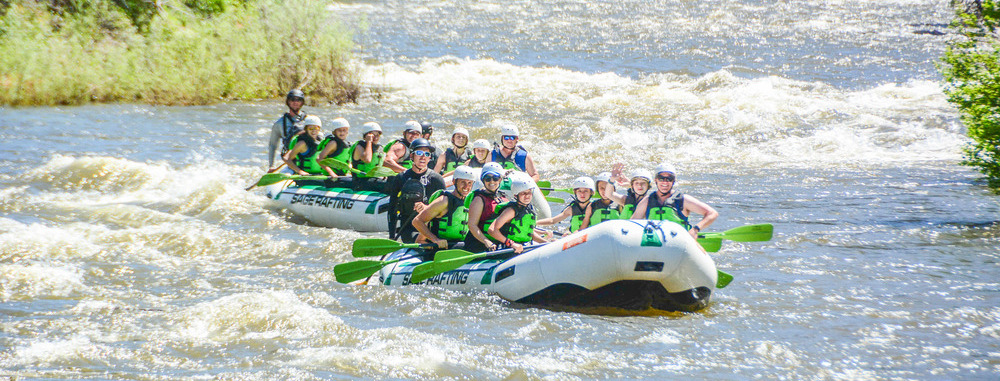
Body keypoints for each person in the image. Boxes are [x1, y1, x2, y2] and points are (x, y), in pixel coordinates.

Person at [631, 163, 719, 239]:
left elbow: (712, 213)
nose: (665, 182)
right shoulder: (647, 201)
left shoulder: (683, 200)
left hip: (678, 243)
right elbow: (632, 223)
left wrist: (695, 230)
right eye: (661, 178)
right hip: (654, 243)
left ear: (673, 181)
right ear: (656, 180)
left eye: (669, 179)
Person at [385, 138, 447, 243]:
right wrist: (392, 236)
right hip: (409, 228)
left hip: (431, 227)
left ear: (430, 158)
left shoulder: (437, 179)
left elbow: (445, 209)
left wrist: (427, 209)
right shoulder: (401, 178)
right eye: (419, 153)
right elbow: (392, 209)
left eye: (427, 154)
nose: (423, 157)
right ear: (412, 156)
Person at [412, 166, 477, 249]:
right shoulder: (444, 201)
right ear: (454, 182)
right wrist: (435, 240)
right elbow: (417, 221)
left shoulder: (469, 201)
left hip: (459, 244)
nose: (466, 187)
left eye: (469, 183)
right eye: (462, 182)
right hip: (442, 246)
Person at [488, 177, 552, 253]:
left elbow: (528, 233)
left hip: (524, 247)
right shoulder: (511, 211)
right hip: (508, 249)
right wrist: (511, 244)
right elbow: (492, 230)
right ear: (516, 195)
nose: (527, 196)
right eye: (523, 193)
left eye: (529, 193)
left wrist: (545, 242)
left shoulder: (529, 209)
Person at [463, 162, 508, 253]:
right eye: (488, 178)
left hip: (497, 244)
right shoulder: (479, 199)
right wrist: (486, 241)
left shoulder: (503, 198)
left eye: (495, 178)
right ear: (483, 180)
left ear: (500, 179)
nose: (492, 181)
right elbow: (472, 225)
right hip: (478, 245)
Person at [267, 89, 307, 171]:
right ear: (288, 102)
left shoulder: (310, 121)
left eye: (298, 100)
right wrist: (272, 165)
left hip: (308, 160)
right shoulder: (279, 124)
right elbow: (273, 145)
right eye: (292, 99)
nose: (295, 102)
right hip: (291, 162)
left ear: (302, 102)